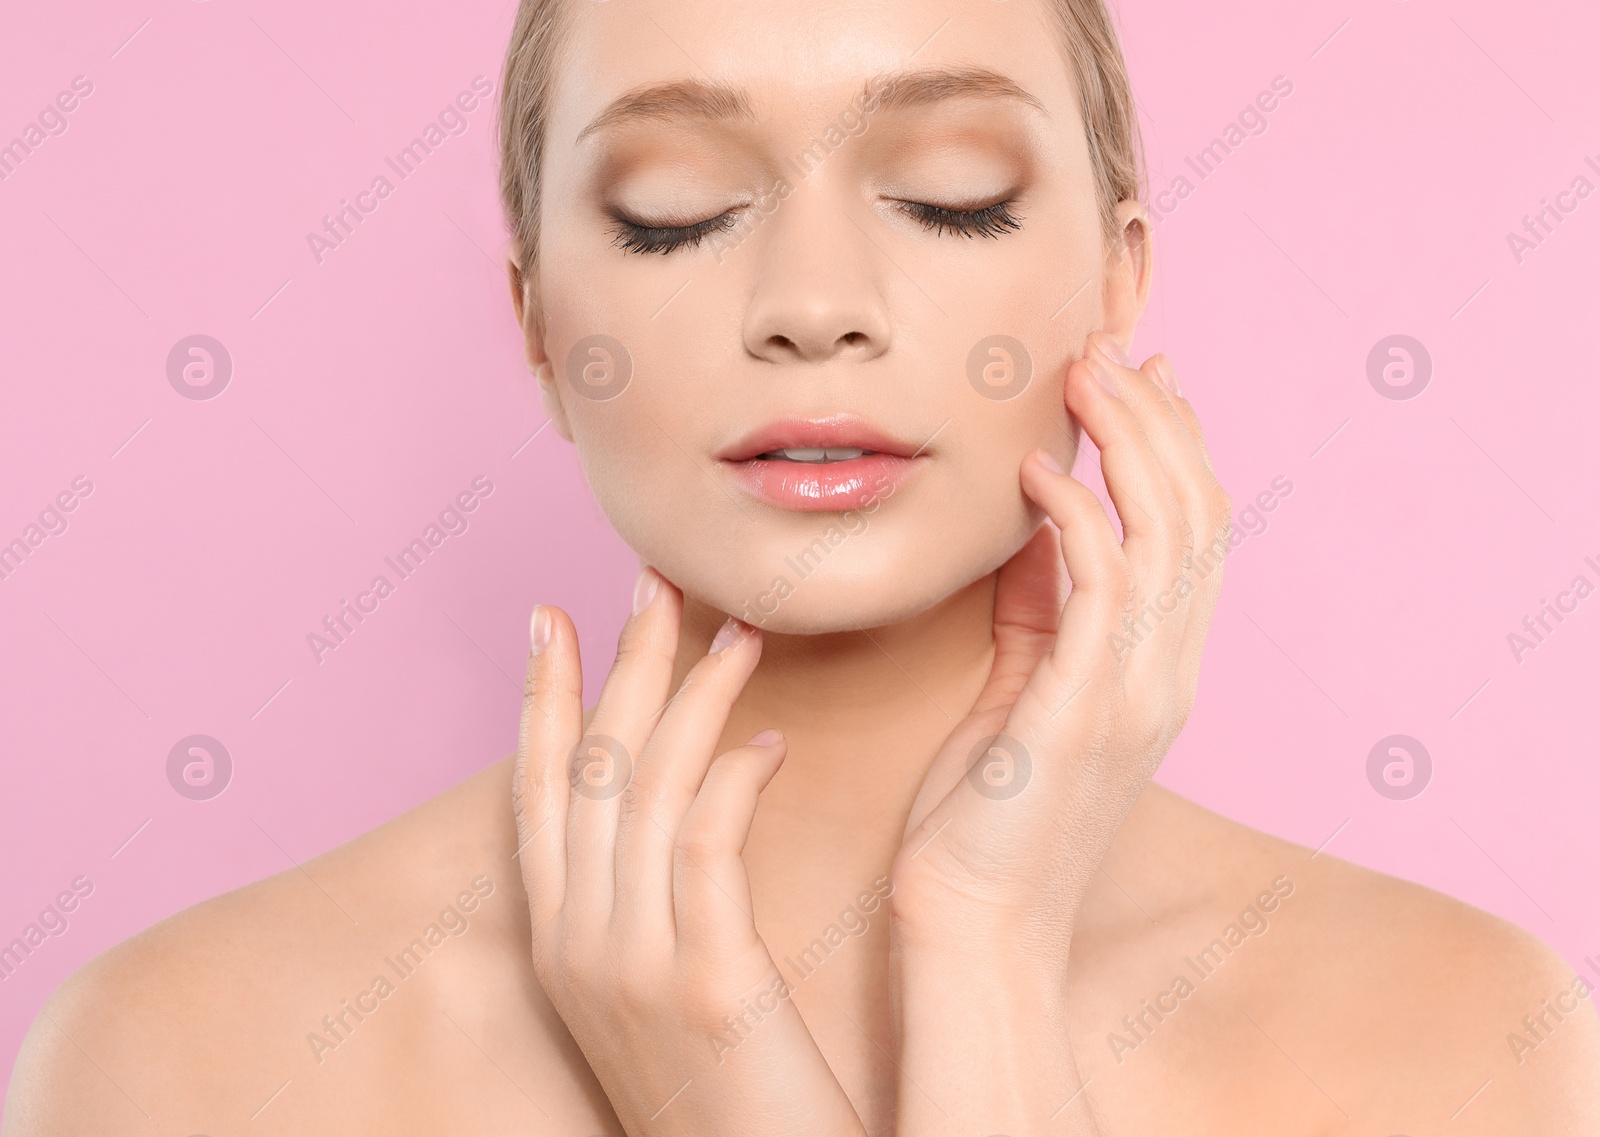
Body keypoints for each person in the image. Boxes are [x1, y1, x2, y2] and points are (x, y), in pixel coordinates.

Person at [7, 0, 1598, 1132]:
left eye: (948, 196)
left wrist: (973, 948)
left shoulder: (1465, 1033)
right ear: (539, 328)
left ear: (1116, 286)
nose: (815, 300)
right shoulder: (176, 1059)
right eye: (674, 212)